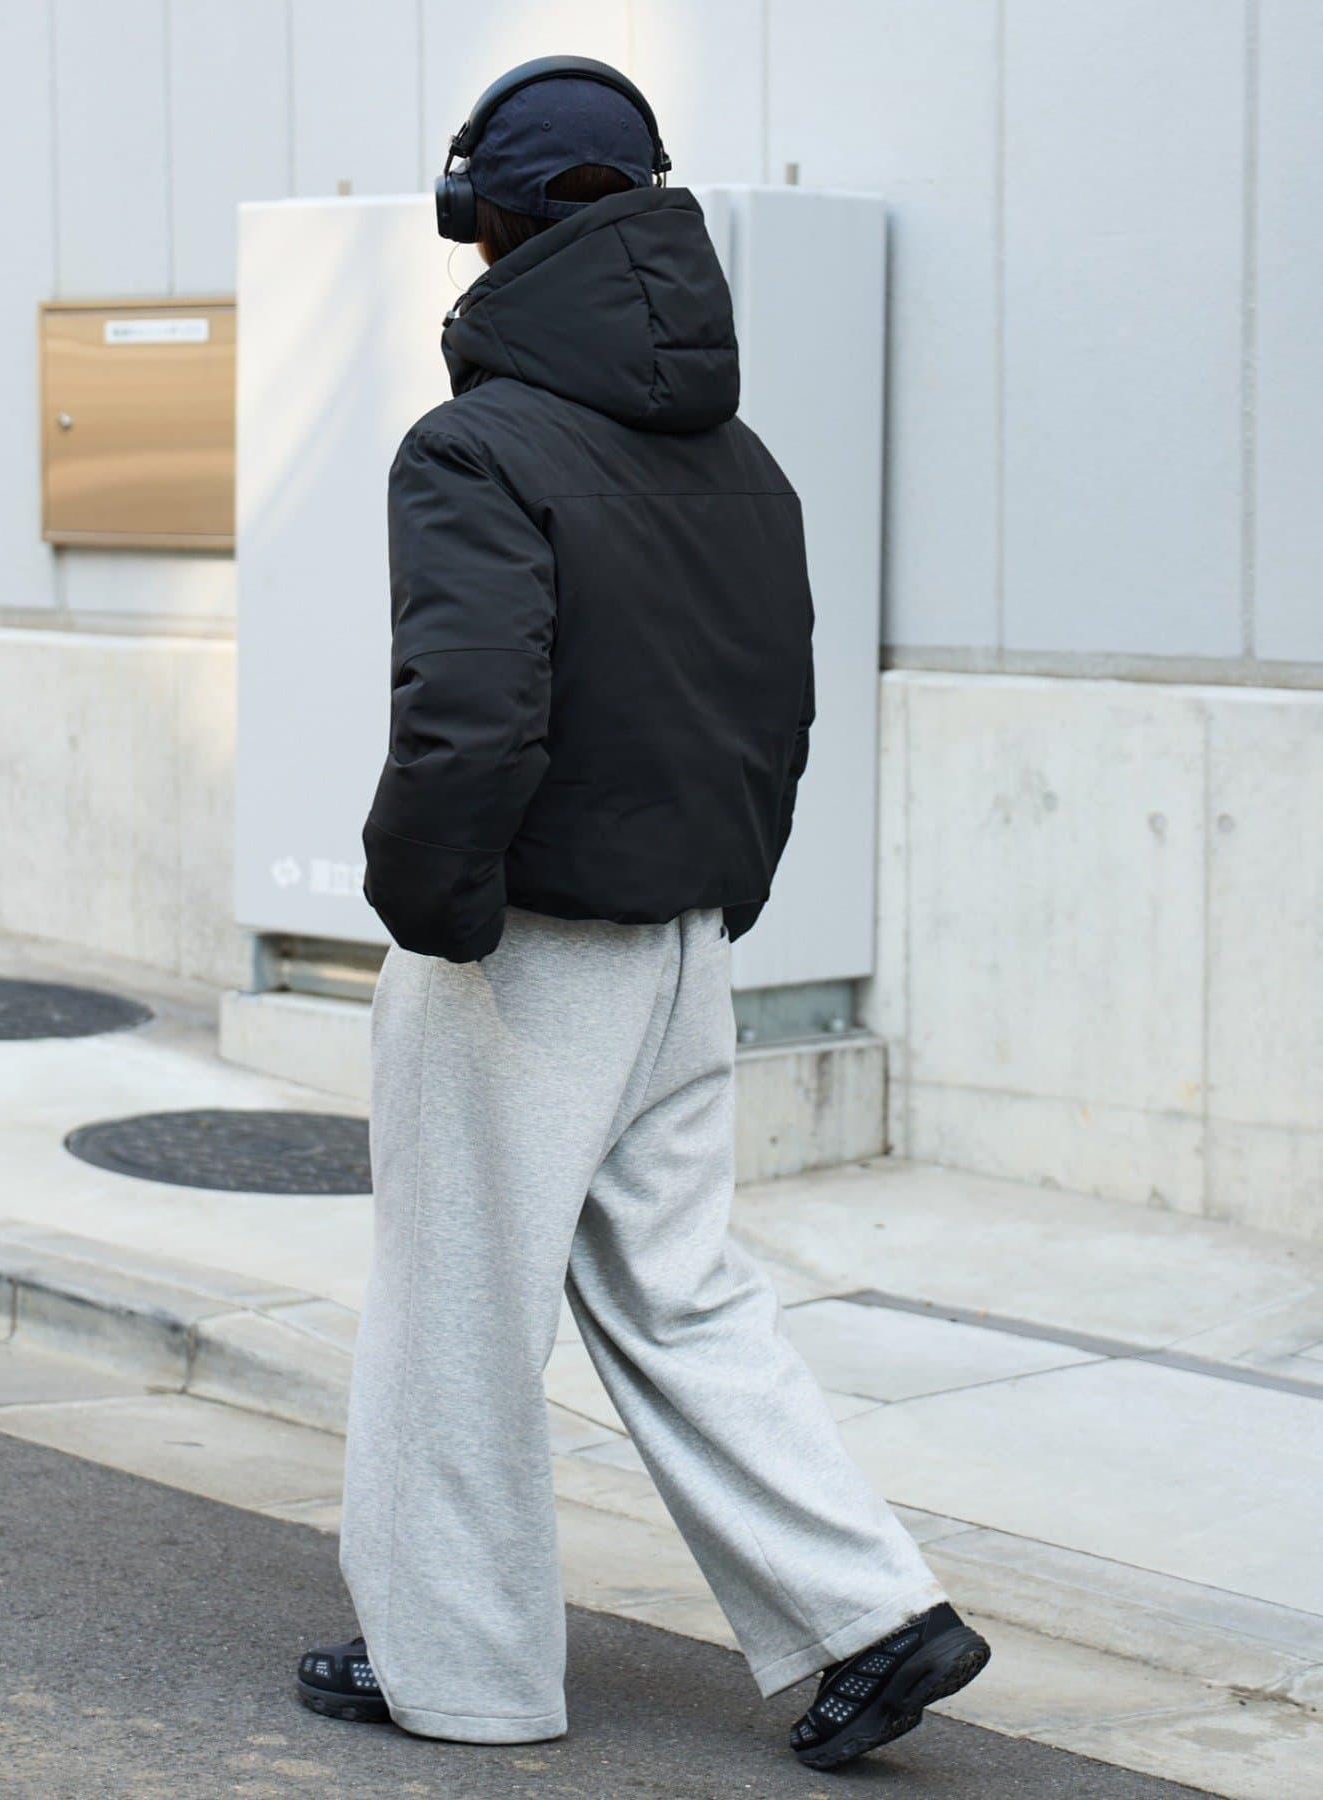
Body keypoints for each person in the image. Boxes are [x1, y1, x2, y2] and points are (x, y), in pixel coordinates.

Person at [297, 55, 989, 1774]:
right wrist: (727, 891)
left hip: (523, 946)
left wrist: (433, 912)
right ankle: (874, 1613)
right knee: (683, 1295)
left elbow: (469, 717)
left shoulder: (475, 444)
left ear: (484, 222)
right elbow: (781, 701)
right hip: (682, 941)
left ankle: (459, 1672)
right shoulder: (738, 454)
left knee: (458, 1316)